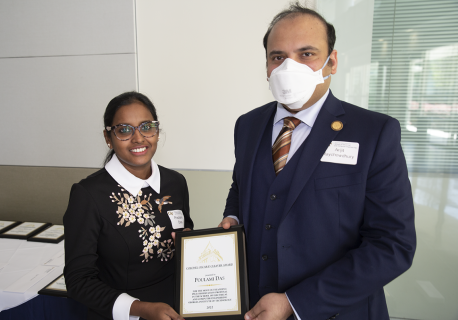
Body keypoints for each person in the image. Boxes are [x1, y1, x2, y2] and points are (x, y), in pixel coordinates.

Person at [219, 3, 416, 320]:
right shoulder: (247, 125)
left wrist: (294, 303)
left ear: (332, 61)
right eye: (278, 56)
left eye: (306, 54)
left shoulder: (374, 132)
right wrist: (232, 214)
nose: (288, 67)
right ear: (267, 65)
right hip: (254, 307)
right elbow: (241, 184)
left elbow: (392, 245)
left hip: (336, 311)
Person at [64, 91, 193, 320]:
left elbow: (184, 239)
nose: (138, 138)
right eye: (124, 130)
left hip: (180, 308)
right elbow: (78, 281)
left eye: (146, 127)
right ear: (108, 137)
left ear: (156, 131)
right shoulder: (88, 195)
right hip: (124, 313)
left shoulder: (175, 182)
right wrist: (141, 309)